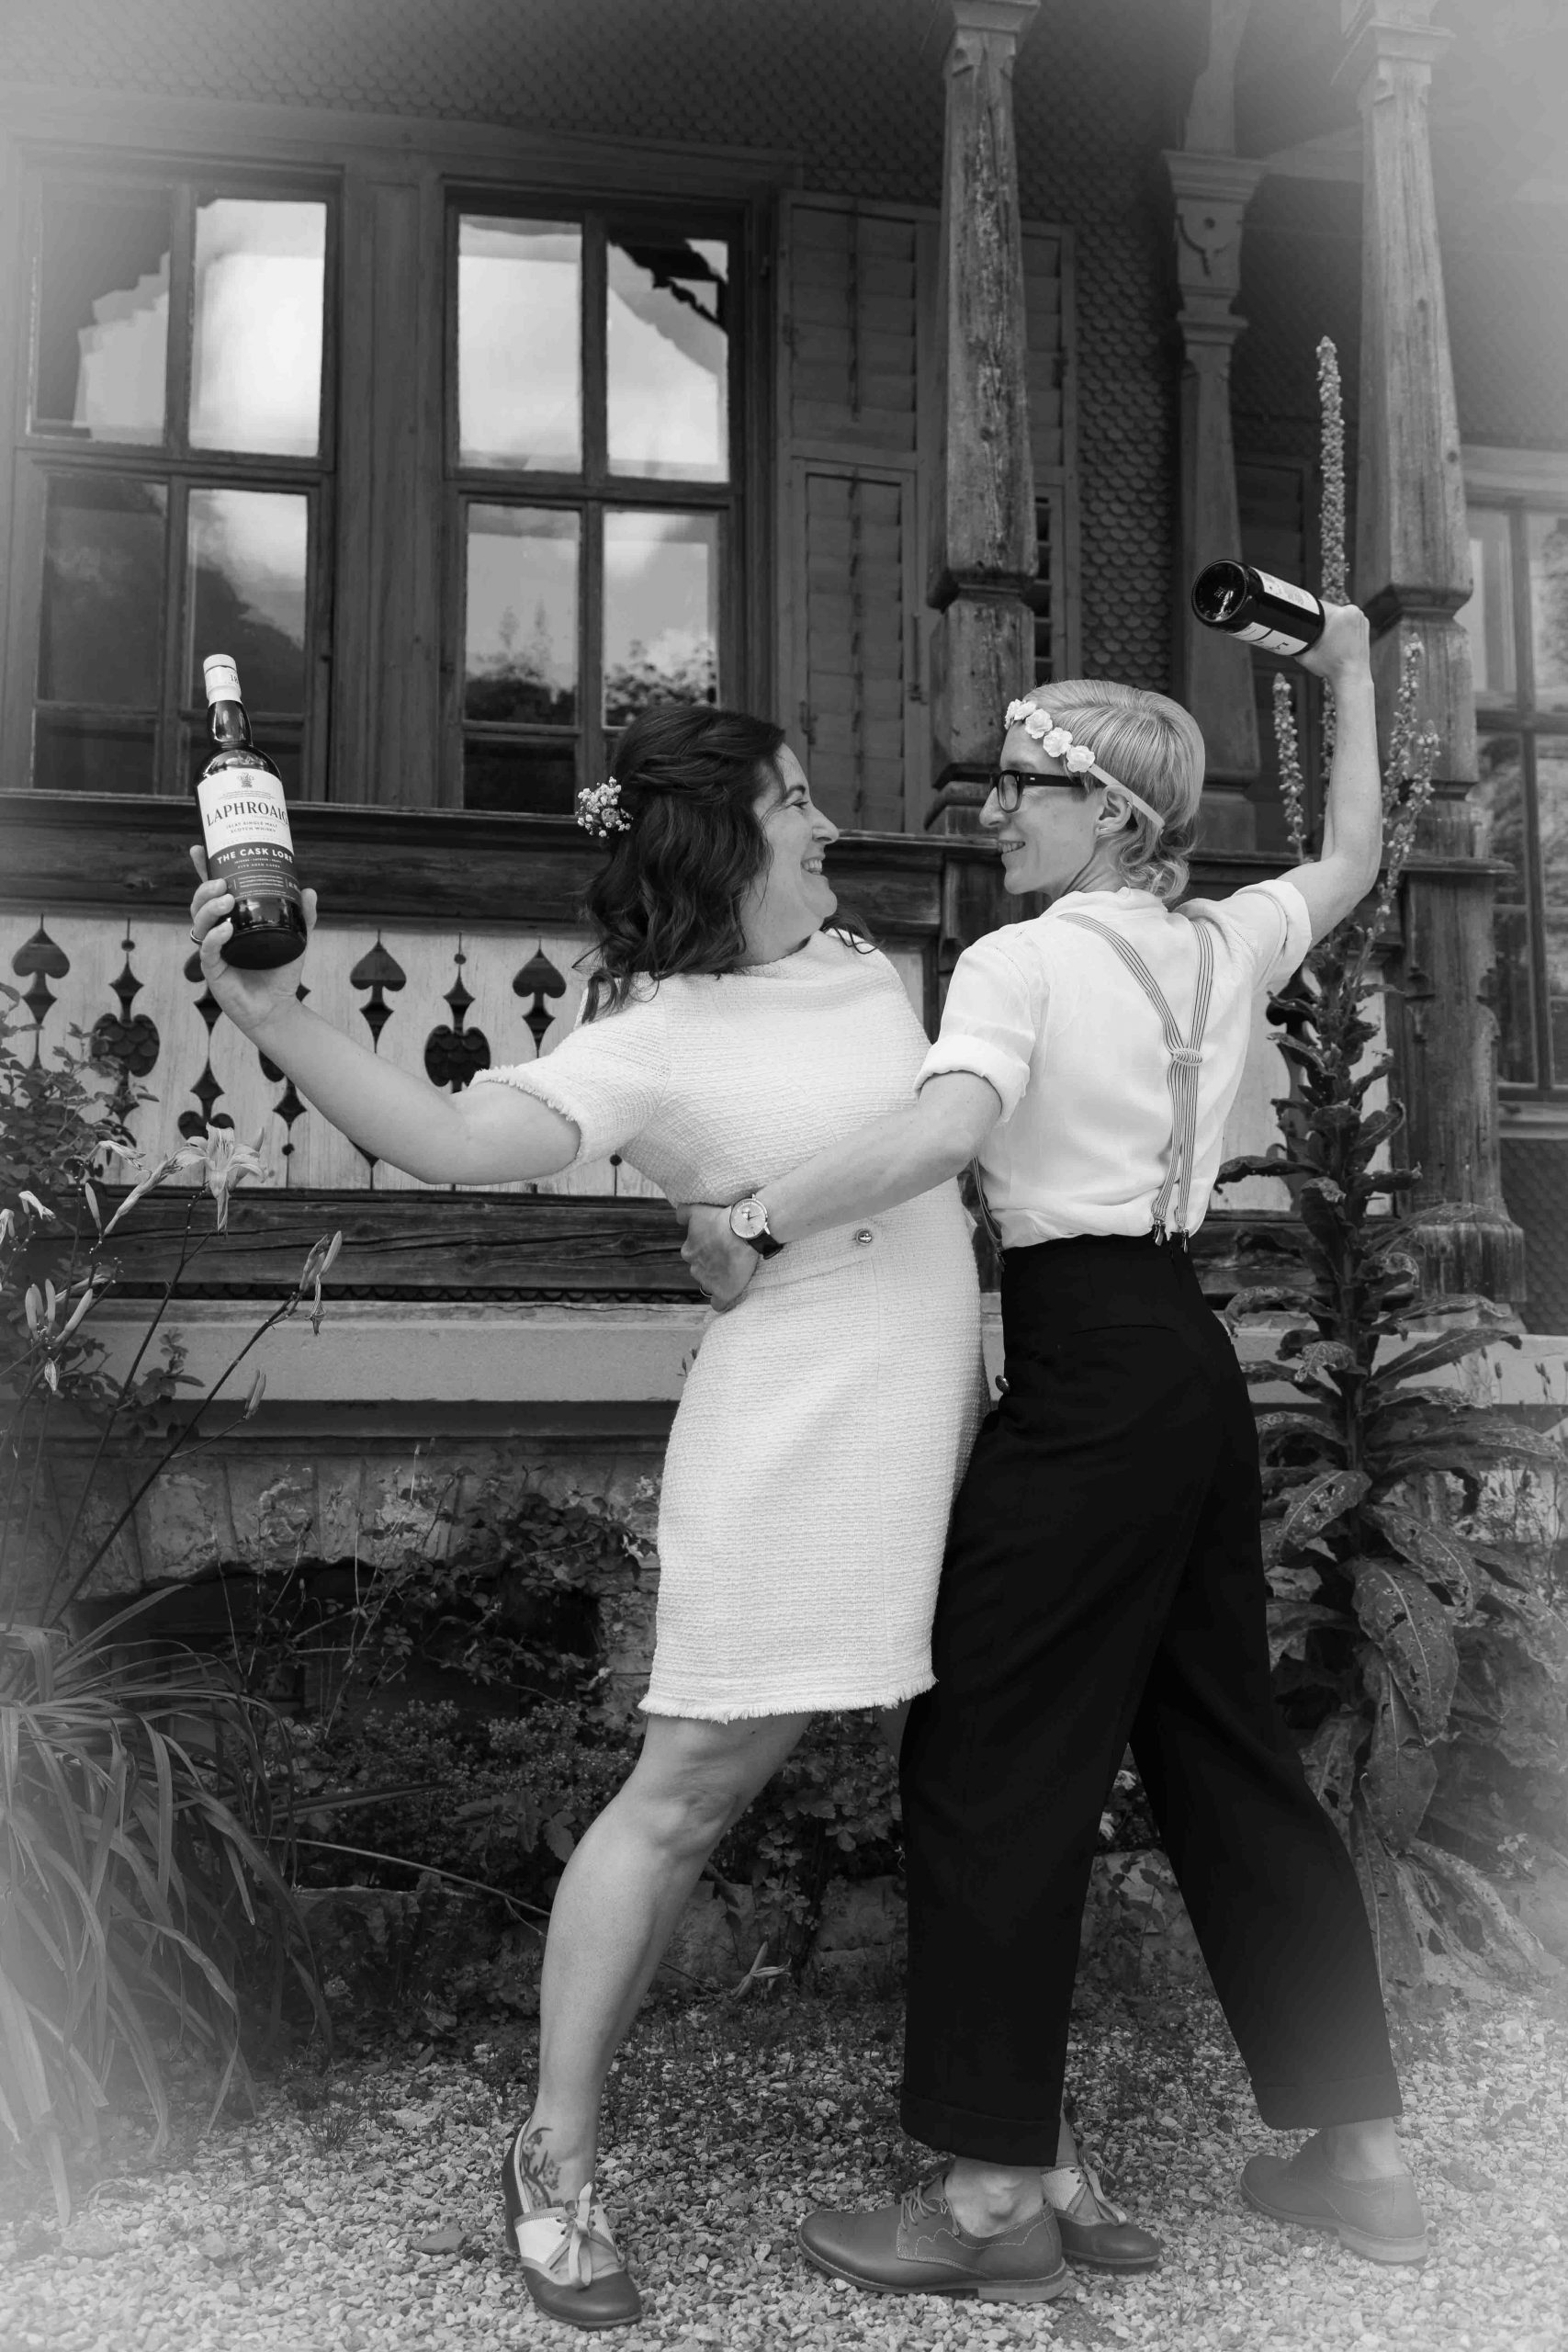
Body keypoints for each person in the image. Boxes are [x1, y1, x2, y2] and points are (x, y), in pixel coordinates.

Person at [187, 700, 1149, 2331]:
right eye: (796, 801)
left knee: (993, 1792)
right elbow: (455, 1140)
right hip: (792, 1453)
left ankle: (1015, 2143)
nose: (829, 825)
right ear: (720, 839)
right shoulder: (654, 1035)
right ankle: (554, 2157)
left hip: (942, 1441)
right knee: (689, 1796)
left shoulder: (866, 967)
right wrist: (275, 1008)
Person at [682, 607, 1430, 2296]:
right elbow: (1351, 854)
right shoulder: (1225, 944)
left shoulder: (1019, 965)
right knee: (1226, 1748)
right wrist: (1347, 674)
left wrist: (752, 1218)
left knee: (988, 1758)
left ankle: (990, 2201)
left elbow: (948, 1129)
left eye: (1029, 785)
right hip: (1190, 1369)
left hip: (1088, 1374)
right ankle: (1361, 2156)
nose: (996, 808)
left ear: (1116, 815)